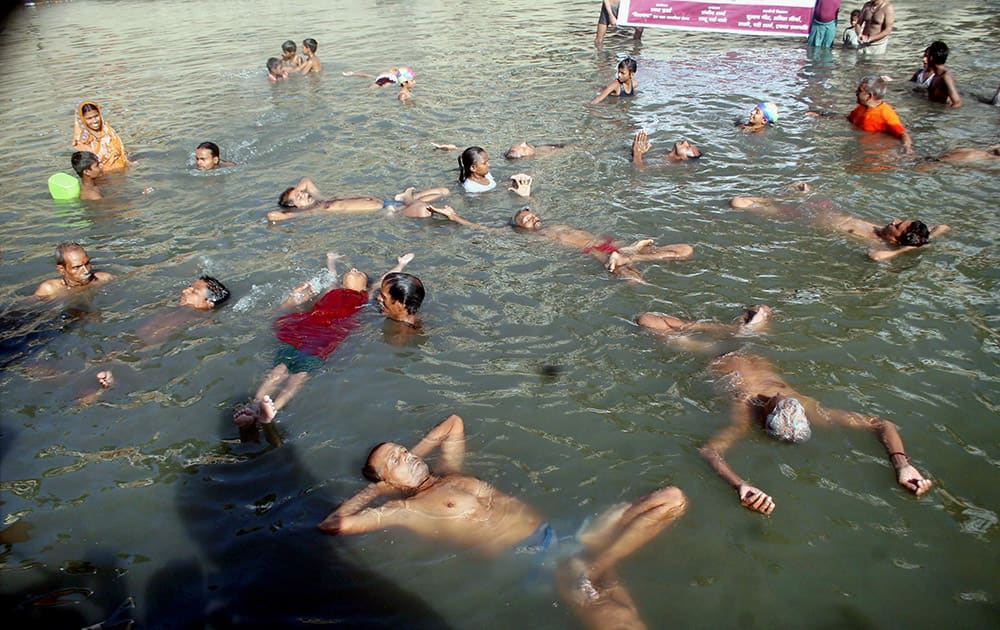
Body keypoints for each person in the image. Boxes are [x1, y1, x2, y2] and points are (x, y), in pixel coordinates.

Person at [320, 414, 687, 629]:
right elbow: (334, 524)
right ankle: (590, 568)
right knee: (626, 623)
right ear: (388, 480)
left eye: (403, 450)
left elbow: (453, 423)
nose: (408, 457)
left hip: (566, 533)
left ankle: (598, 564)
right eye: (397, 460)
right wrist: (378, 491)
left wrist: (408, 458)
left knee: (670, 499)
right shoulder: (406, 509)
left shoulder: (449, 472)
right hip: (542, 559)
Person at [700, 353, 933, 515]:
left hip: (715, 354)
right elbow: (881, 423)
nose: (783, 396)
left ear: (767, 417)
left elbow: (710, 450)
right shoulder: (810, 410)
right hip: (749, 347)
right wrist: (901, 464)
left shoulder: (743, 416)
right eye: (787, 401)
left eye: (778, 403)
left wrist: (739, 484)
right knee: (764, 313)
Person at [233, 254, 417, 438]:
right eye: (351, 270)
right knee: (279, 368)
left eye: (359, 272)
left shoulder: (366, 297)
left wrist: (400, 264)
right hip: (303, 330)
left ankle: (272, 411)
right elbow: (331, 274)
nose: (353, 270)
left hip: (326, 338)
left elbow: (384, 282)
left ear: (365, 285)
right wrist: (331, 260)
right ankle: (255, 406)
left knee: (299, 376)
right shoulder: (333, 289)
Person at [428, 205, 693, 280]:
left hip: (612, 244)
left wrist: (526, 195)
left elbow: (536, 206)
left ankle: (630, 254)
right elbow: (488, 231)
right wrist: (456, 218)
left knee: (685, 250)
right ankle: (629, 257)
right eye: (527, 221)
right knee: (636, 282)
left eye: (533, 215)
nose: (534, 219)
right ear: (522, 231)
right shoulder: (537, 236)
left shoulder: (551, 224)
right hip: (596, 252)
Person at [729, 187, 950, 261]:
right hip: (821, 209)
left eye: (899, 225)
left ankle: (771, 201)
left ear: (899, 239)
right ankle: (785, 197)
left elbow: (876, 257)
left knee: (738, 202)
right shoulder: (881, 230)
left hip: (802, 219)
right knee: (801, 189)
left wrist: (904, 250)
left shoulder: (883, 246)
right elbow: (942, 227)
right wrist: (923, 240)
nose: (894, 220)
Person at [267, 177, 449, 222]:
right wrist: (294, 210)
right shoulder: (316, 210)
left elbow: (305, 181)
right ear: (296, 206)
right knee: (430, 210)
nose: (304, 194)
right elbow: (273, 216)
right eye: (299, 197)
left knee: (443, 191)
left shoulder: (322, 199)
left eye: (302, 192)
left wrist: (296, 194)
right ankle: (407, 198)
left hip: (386, 201)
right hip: (388, 210)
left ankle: (406, 197)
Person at [847, 75, 913, 152]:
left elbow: (903, 134)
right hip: (862, 146)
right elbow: (848, 119)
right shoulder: (860, 108)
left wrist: (907, 149)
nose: (856, 93)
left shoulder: (886, 113)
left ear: (869, 96)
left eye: (859, 91)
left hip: (876, 152)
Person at [34, 242, 114, 298]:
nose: (86, 271)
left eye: (87, 264)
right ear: (61, 269)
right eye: (76, 267)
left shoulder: (103, 279)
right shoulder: (50, 289)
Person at [72, 101, 129, 173]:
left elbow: (122, 151)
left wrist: (129, 164)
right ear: (82, 120)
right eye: (89, 118)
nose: (95, 121)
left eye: (96, 116)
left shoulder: (107, 130)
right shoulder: (83, 141)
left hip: (123, 170)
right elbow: (90, 169)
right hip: (104, 177)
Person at [457, 147, 533, 196]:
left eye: (488, 161)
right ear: (473, 168)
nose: (488, 165)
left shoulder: (486, 174)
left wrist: (513, 180)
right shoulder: (471, 189)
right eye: (484, 163)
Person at [917, 41, 961, 108]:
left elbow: (957, 102)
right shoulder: (935, 75)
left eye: (927, 56)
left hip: (941, 114)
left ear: (931, 57)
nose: (924, 59)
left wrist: (946, 116)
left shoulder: (945, 76)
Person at [631, 130, 701, 168]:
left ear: (685, 158)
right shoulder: (664, 151)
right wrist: (638, 150)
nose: (685, 142)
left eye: (687, 147)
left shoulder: (670, 164)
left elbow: (639, 170)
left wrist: (637, 153)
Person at [342, 67, 415, 100]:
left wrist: (354, 74)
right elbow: (366, 75)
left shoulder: (384, 74)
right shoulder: (396, 77)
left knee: (372, 88)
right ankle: (362, 93)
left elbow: (366, 75)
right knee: (381, 87)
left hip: (383, 80)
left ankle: (360, 93)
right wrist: (354, 74)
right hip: (389, 81)